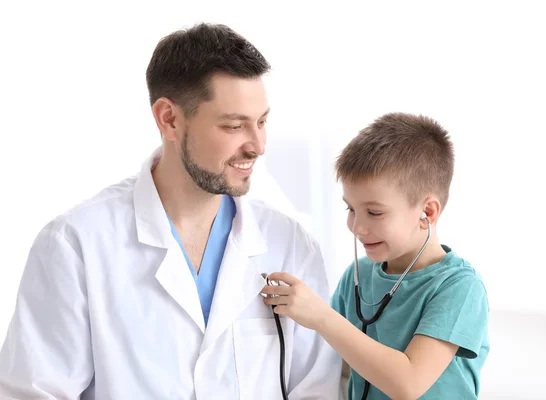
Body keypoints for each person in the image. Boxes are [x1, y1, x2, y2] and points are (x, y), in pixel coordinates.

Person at [0, 23, 341, 399]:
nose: (258, 145)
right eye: (233, 125)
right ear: (169, 119)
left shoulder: (290, 244)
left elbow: (315, 390)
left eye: (261, 122)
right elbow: (35, 392)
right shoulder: (76, 245)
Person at [261, 112, 490, 399]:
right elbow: (339, 371)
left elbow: (408, 383)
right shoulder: (357, 277)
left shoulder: (459, 287)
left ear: (427, 212)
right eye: (351, 209)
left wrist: (321, 316)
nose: (357, 226)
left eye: (374, 212)